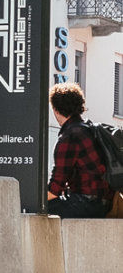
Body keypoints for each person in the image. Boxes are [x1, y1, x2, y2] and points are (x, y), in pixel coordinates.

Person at [45, 82, 115, 219]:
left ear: (56, 109)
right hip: (105, 203)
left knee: (38, 208)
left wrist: (32, 201)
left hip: (85, 203)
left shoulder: (70, 136)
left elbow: (55, 189)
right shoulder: (89, 129)